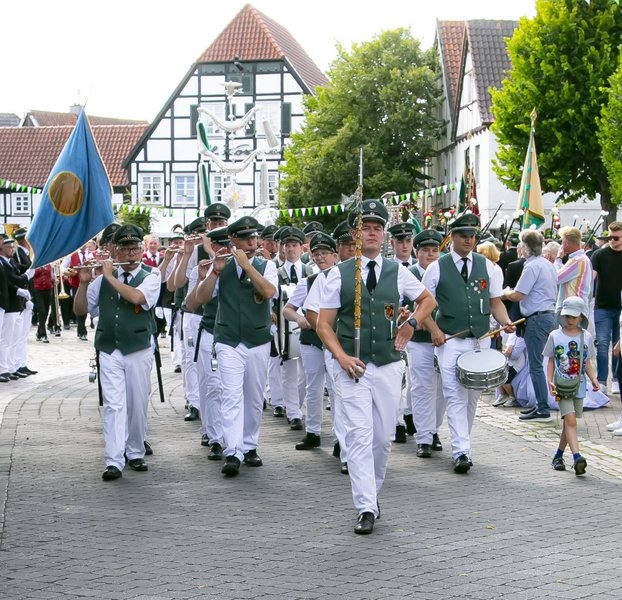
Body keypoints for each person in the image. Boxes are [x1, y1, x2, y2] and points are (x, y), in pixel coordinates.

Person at [317, 200, 436, 535]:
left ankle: (373, 494)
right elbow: (324, 324)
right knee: (358, 435)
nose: (371, 233)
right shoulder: (338, 274)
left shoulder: (397, 272)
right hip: (352, 367)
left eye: (376, 228)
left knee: (383, 438)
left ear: (384, 235)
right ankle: (365, 505)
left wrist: (411, 322)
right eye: (365, 228)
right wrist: (341, 358)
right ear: (355, 234)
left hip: (387, 363)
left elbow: (428, 300)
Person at [422, 213, 514, 473]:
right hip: (450, 341)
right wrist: (434, 329)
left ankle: (464, 444)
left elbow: (495, 302)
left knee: (473, 397)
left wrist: (506, 321)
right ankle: (461, 451)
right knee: (454, 395)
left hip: (480, 340)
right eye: (463, 235)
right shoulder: (437, 267)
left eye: (473, 236)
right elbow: (422, 304)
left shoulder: (488, 266)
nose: (469, 240)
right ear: (452, 237)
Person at [74, 224, 161, 481]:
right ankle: (113, 460)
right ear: (116, 251)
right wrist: (84, 283)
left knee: (137, 403)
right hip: (109, 348)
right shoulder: (101, 280)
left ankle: (135, 452)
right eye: (125, 249)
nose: (131, 254)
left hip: (138, 347)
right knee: (113, 405)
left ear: (141, 250)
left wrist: (110, 277)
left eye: (135, 248)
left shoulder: (151, 275)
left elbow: (137, 298)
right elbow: (80, 310)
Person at [194, 216, 278, 477]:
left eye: (254, 238)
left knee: (253, 396)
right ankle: (233, 451)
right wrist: (214, 272)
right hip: (228, 340)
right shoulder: (222, 265)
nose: (252, 243)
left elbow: (269, 292)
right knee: (231, 394)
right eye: (246, 239)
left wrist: (248, 267)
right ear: (233, 241)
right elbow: (201, 298)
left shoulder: (266, 265)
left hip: (257, 339)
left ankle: (250, 445)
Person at [283, 232, 339, 451]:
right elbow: (288, 309)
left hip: (335, 340)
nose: (321, 257)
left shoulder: (343, 278)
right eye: (316, 254)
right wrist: (299, 318)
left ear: (335, 256)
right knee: (313, 387)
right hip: (312, 339)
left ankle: (339, 438)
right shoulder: (308, 282)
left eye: (325, 253)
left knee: (335, 388)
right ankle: (313, 432)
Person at [503, 230, 558, 423]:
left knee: (536, 366)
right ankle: (540, 405)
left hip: (537, 318)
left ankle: (542, 408)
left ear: (525, 247)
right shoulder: (547, 264)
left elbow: (519, 294)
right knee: (539, 364)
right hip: (547, 315)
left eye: (522, 245)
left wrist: (505, 292)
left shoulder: (532, 266)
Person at [545, 296, 599, 475]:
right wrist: (550, 380)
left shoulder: (586, 337)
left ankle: (558, 456)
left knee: (569, 423)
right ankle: (577, 458)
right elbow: (551, 360)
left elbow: (587, 362)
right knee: (571, 420)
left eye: (574, 317)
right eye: (567, 316)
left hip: (579, 385)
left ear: (582, 316)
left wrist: (594, 379)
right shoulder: (555, 335)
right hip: (561, 386)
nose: (570, 320)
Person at [406, 229, 446, 457]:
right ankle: (423, 436)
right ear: (417, 252)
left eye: (434, 250)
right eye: (425, 250)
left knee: (441, 389)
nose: (430, 255)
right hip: (418, 340)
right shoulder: (409, 274)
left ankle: (433, 430)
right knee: (422, 387)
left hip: (443, 340)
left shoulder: (443, 272)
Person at [590, 221, 622, 394]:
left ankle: (616, 378)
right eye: (609, 237)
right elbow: (590, 279)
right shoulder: (599, 255)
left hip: (620, 308)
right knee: (602, 343)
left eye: (616, 238)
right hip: (602, 306)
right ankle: (602, 380)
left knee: (619, 345)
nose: (612, 240)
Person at [554, 226, 593, 310]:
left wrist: (558, 259)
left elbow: (556, 278)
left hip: (571, 308)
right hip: (576, 307)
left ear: (567, 242)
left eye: (562, 241)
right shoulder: (582, 258)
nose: (561, 245)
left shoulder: (577, 260)